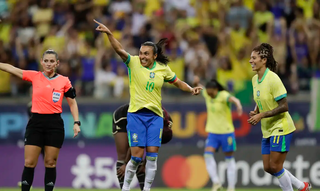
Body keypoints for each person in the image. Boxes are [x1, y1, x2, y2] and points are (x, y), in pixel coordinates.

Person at [93, 19, 202, 191]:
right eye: (141, 53)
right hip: (136, 115)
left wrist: (190, 89)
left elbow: (177, 81)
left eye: (146, 54)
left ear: (154, 55)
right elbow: (119, 49)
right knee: (136, 158)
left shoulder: (162, 68)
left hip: (155, 117)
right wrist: (109, 34)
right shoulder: (133, 63)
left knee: (152, 157)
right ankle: (126, 189)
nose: (142, 56)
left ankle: (146, 190)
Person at [0, 49, 81, 191]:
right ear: (41, 62)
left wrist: (76, 122)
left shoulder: (64, 81)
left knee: (50, 163)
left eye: (52, 61)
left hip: (54, 124)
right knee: (29, 162)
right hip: (35, 123)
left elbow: (72, 102)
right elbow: (11, 68)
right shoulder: (34, 76)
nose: (49, 64)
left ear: (57, 63)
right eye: (46, 61)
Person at [248, 43, 311, 191]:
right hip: (267, 129)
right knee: (268, 167)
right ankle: (302, 186)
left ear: (264, 60)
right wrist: (256, 111)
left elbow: (284, 106)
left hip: (281, 127)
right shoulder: (254, 80)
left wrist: (262, 114)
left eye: (254, 57)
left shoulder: (273, 78)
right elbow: (261, 99)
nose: (250, 61)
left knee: (276, 166)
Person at [193, 77, 242, 191]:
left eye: (210, 93)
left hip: (226, 132)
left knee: (229, 158)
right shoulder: (207, 94)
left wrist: (238, 105)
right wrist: (196, 82)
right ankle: (216, 183)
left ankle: (231, 187)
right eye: (208, 93)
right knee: (207, 155)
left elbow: (234, 100)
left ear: (215, 90)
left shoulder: (223, 95)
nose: (208, 95)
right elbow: (200, 87)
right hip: (213, 132)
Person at [113, 103, 173, 190]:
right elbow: (135, 145)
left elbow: (153, 149)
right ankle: (124, 188)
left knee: (145, 160)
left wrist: (145, 163)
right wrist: (125, 163)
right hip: (123, 117)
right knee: (128, 155)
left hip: (145, 117)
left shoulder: (168, 123)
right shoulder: (159, 119)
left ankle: (143, 188)